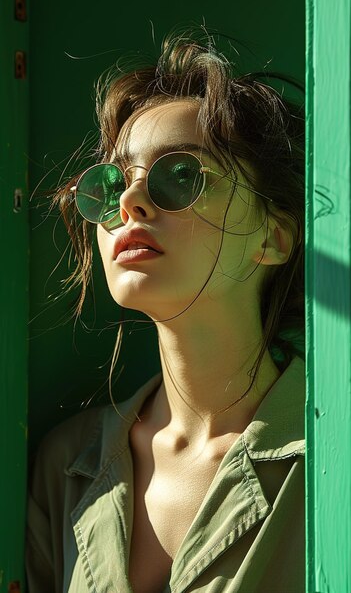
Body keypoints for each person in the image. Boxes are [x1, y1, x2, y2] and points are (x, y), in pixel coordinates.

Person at [26, 30, 305, 593]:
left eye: (181, 175)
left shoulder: (330, 456)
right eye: (109, 185)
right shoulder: (67, 466)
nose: (129, 203)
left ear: (274, 238)